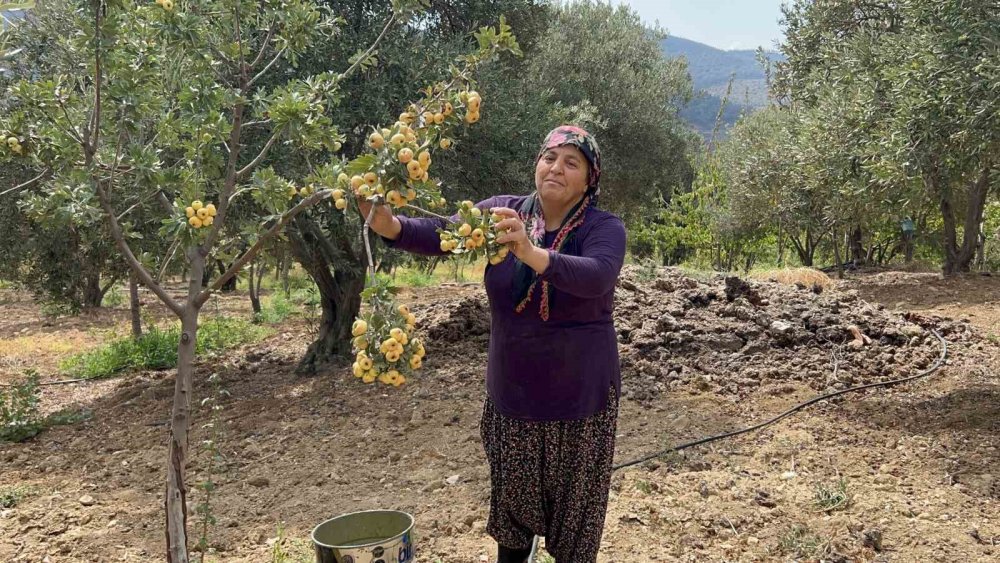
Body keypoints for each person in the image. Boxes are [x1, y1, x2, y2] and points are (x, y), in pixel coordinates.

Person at [360, 125, 626, 563]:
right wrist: (388, 223)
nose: (555, 167)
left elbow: (597, 275)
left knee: (575, 536)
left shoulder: (603, 228)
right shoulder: (500, 213)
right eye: (549, 157)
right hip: (514, 400)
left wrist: (528, 251)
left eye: (570, 162)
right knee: (513, 528)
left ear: (589, 179)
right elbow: (439, 234)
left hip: (581, 404)